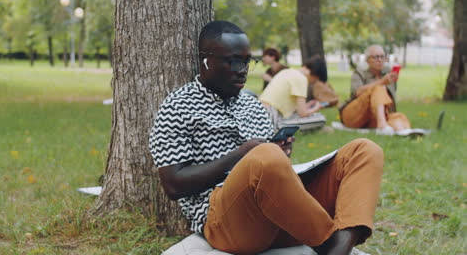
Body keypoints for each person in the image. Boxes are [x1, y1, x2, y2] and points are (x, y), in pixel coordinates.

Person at [149, 20, 383, 255]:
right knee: (264, 154)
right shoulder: (178, 107)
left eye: (247, 61)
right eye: (233, 61)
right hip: (227, 223)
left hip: (279, 216)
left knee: (364, 151)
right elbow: (173, 185)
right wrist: (241, 156)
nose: (242, 69)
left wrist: (281, 156)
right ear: (206, 60)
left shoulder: (253, 104)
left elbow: (268, 167)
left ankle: (342, 243)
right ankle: (330, 245)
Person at [340, 45, 410, 134]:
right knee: (379, 88)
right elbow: (357, 92)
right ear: (367, 60)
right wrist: (381, 82)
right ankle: (382, 126)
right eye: (376, 57)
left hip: (374, 117)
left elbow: (389, 103)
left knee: (399, 117)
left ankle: (401, 131)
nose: (380, 60)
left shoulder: (388, 73)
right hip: (354, 116)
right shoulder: (359, 73)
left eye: (382, 56)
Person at [259, 55, 337, 131]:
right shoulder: (301, 79)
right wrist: (317, 107)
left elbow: (290, 108)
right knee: (321, 119)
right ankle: (288, 128)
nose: (313, 83)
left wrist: (307, 106)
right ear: (314, 75)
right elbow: (302, 113)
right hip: (272, 118)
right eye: (315, 80)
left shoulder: (287, 72)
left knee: (311, 116)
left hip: (260, 111)